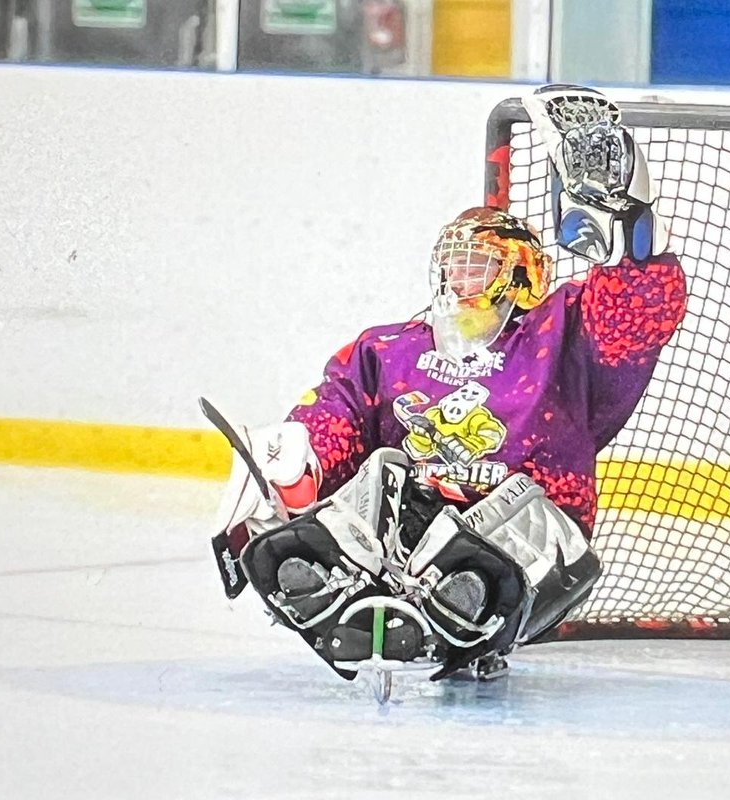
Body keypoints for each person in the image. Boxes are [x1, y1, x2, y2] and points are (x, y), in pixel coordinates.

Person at [209, 85, 688, 682]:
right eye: (452, 264)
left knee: (516, 510)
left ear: (521, 276)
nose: (460, 279)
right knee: (379, 470)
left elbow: (638, 316)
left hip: (528, 547)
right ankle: (321, 580)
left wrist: (631, 231)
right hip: (406, 532)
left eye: (478, 265)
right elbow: (339, 410)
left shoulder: (560, 336)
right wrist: (298, 456)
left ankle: (470, 595)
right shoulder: (390, 348)